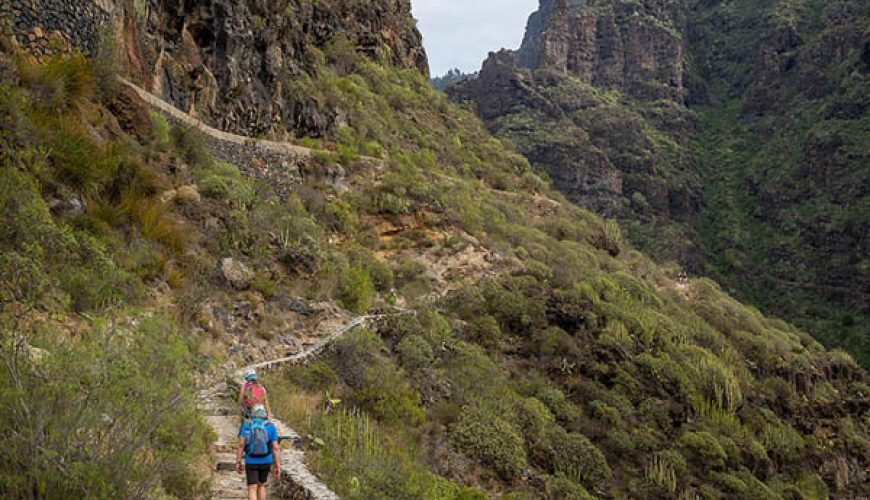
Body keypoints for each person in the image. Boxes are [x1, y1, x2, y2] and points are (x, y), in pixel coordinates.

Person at [236, 404, 281, 500]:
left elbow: (240, 445)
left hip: (251, 460)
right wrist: (277, 465)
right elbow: (275, 447)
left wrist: (238, 461)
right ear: (264, 414)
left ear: (252, 413)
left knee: (252, 488)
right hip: (266, 461)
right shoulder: (270, 427)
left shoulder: (246, 425)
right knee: (261, 485)